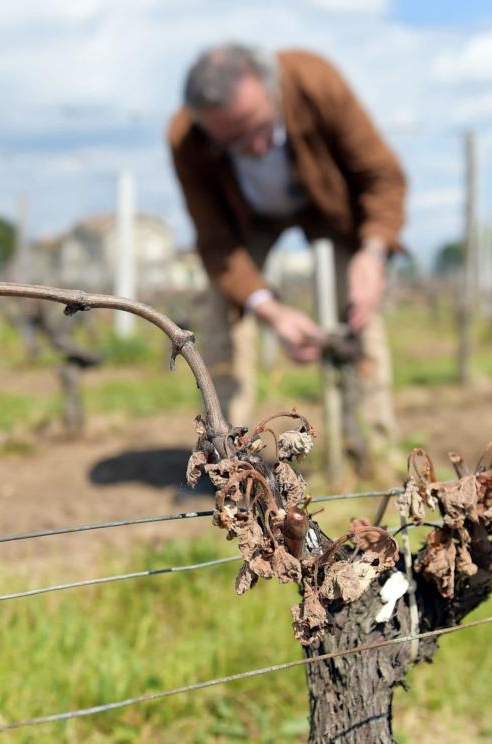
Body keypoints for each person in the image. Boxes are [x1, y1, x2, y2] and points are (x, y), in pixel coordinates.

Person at [168, 42, 404, 445]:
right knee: (224, 309)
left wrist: (373, 251)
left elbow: (381, 176)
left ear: (272, 90)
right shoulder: (186, 139)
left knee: (360, 305)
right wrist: (270, 310)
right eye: (236, 142)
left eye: (260, 128)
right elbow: (216, 242)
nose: (257, 149)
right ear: (209, 129)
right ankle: (227, 450)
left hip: (328, 208)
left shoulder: (314, 81)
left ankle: (374, 444)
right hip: (246, 221)